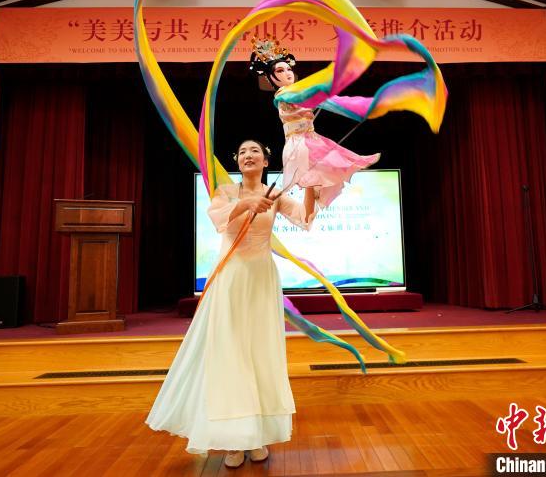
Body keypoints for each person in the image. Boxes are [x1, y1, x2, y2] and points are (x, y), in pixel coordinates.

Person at [146, 139, 317, 468]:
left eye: (255, 151)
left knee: (260, 355)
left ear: (266, 161)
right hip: (231, 279)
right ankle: (233, 440)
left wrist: (311, 186)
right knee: (231, 356)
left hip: (262, 280)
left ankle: (257, 435)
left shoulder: (275, 195)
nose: (248, 155)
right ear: (237, 161)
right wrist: (247, 203)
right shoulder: (224, 192)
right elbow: (219, 218)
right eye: (242, 152)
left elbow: (306, 218)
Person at [250, 34, 380, 207]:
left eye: (288, 69)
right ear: (270, 78)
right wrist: (355, 106)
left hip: (311, 140)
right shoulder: (286, 94)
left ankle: (313, 202)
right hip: (300, 144)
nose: (287, 73)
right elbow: (322, 99)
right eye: (280, 71)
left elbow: (321, 99)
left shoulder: (296, 92)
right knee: (333, 164)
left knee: (332, 166)